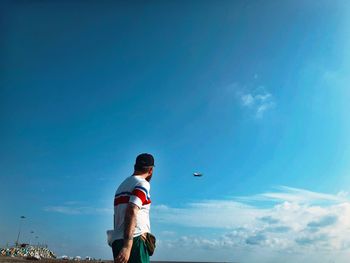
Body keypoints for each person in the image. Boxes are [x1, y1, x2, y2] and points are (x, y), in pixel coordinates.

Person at [108, 153, 155, 263]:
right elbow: (132, 209)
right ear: (151, 170)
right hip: (134, 241)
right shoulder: (143, 184)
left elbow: (117, 216)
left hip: (117, 240)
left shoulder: (122, 186)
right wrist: (127, 246)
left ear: (135, 167)